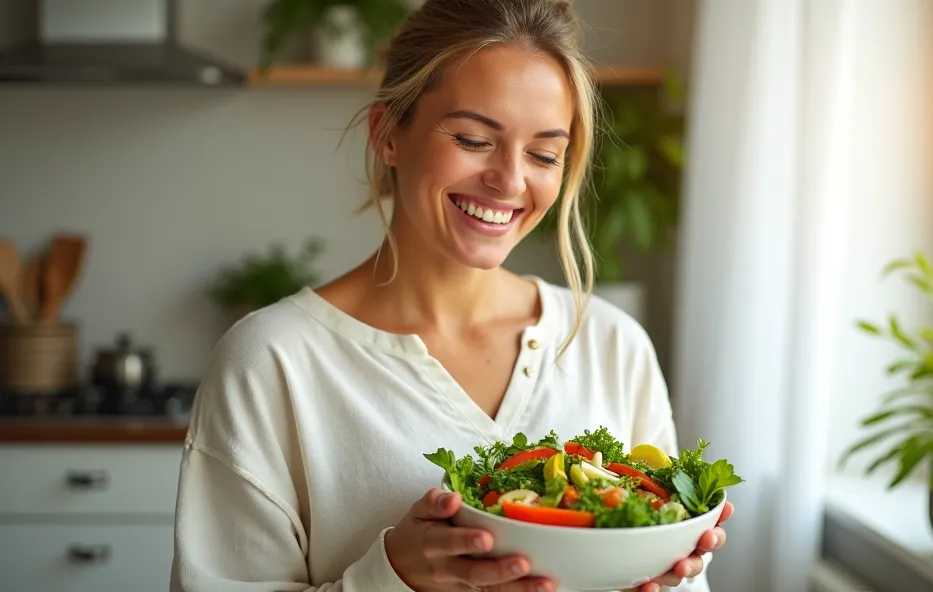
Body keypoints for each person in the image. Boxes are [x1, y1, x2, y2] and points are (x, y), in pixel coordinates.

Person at [169, 0, 732, 590]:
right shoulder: (272, 361)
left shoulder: (611, 345)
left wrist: (660, 569)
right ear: (388, 134)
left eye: (544, 154)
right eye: (472, 139)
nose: (511, 181)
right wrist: (394, 577)